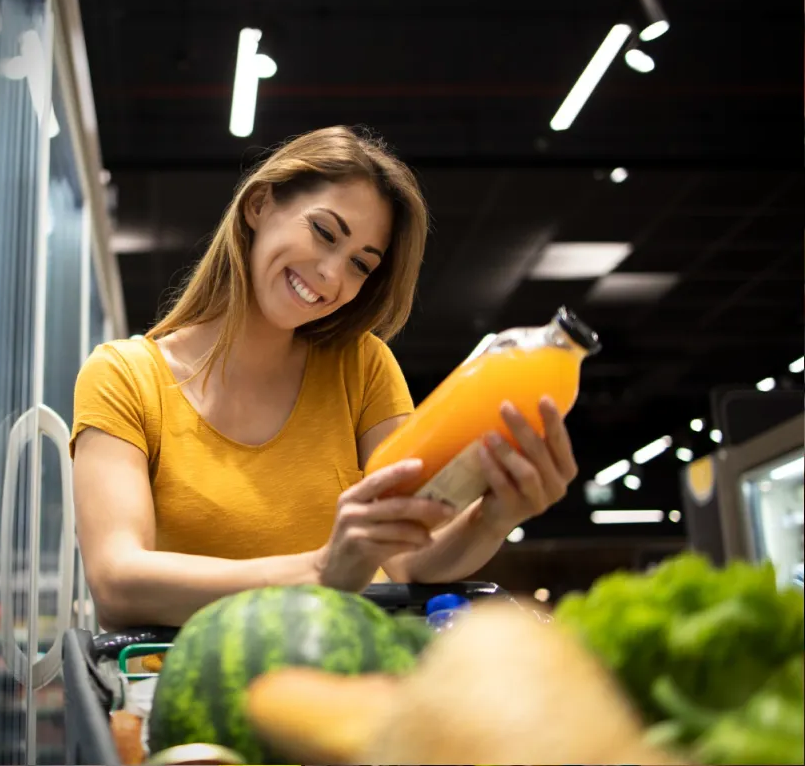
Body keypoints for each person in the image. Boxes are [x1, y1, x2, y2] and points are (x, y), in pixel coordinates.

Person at [70, 126, 579, 631]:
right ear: (259, 206)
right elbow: (117, 582)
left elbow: (410, 554)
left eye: (361, 264)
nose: (333, 276)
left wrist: (493, 517)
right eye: (324, 232)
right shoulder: (123, 377)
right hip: (199, 687)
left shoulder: (362, 367)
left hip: (348, 677)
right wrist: (319, 570)